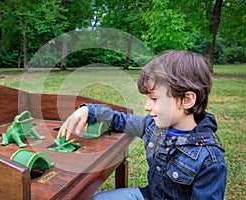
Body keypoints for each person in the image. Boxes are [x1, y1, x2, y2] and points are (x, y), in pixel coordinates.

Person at [57, 50, 227, 199]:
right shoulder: (152, 126)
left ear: (187, 100)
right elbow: (119, 120)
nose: (147, 107)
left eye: (154, 98)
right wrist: (88, 110)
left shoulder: (210, 160)